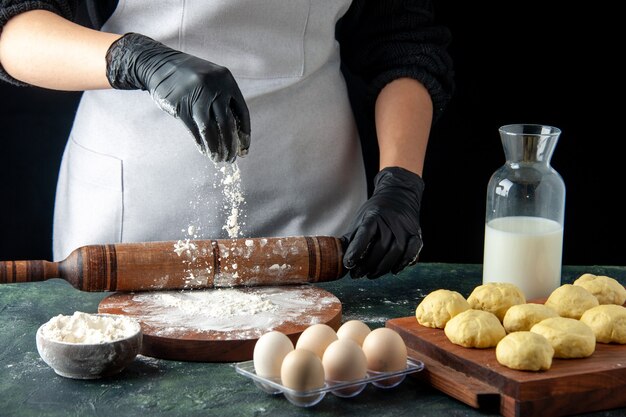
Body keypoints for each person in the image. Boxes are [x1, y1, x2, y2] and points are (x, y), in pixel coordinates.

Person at [0, 1, 454, 279]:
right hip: (137, 218)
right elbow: (15, 27)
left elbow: (402, 40)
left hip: (314, 217)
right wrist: (135, 59)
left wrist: (401, 180)